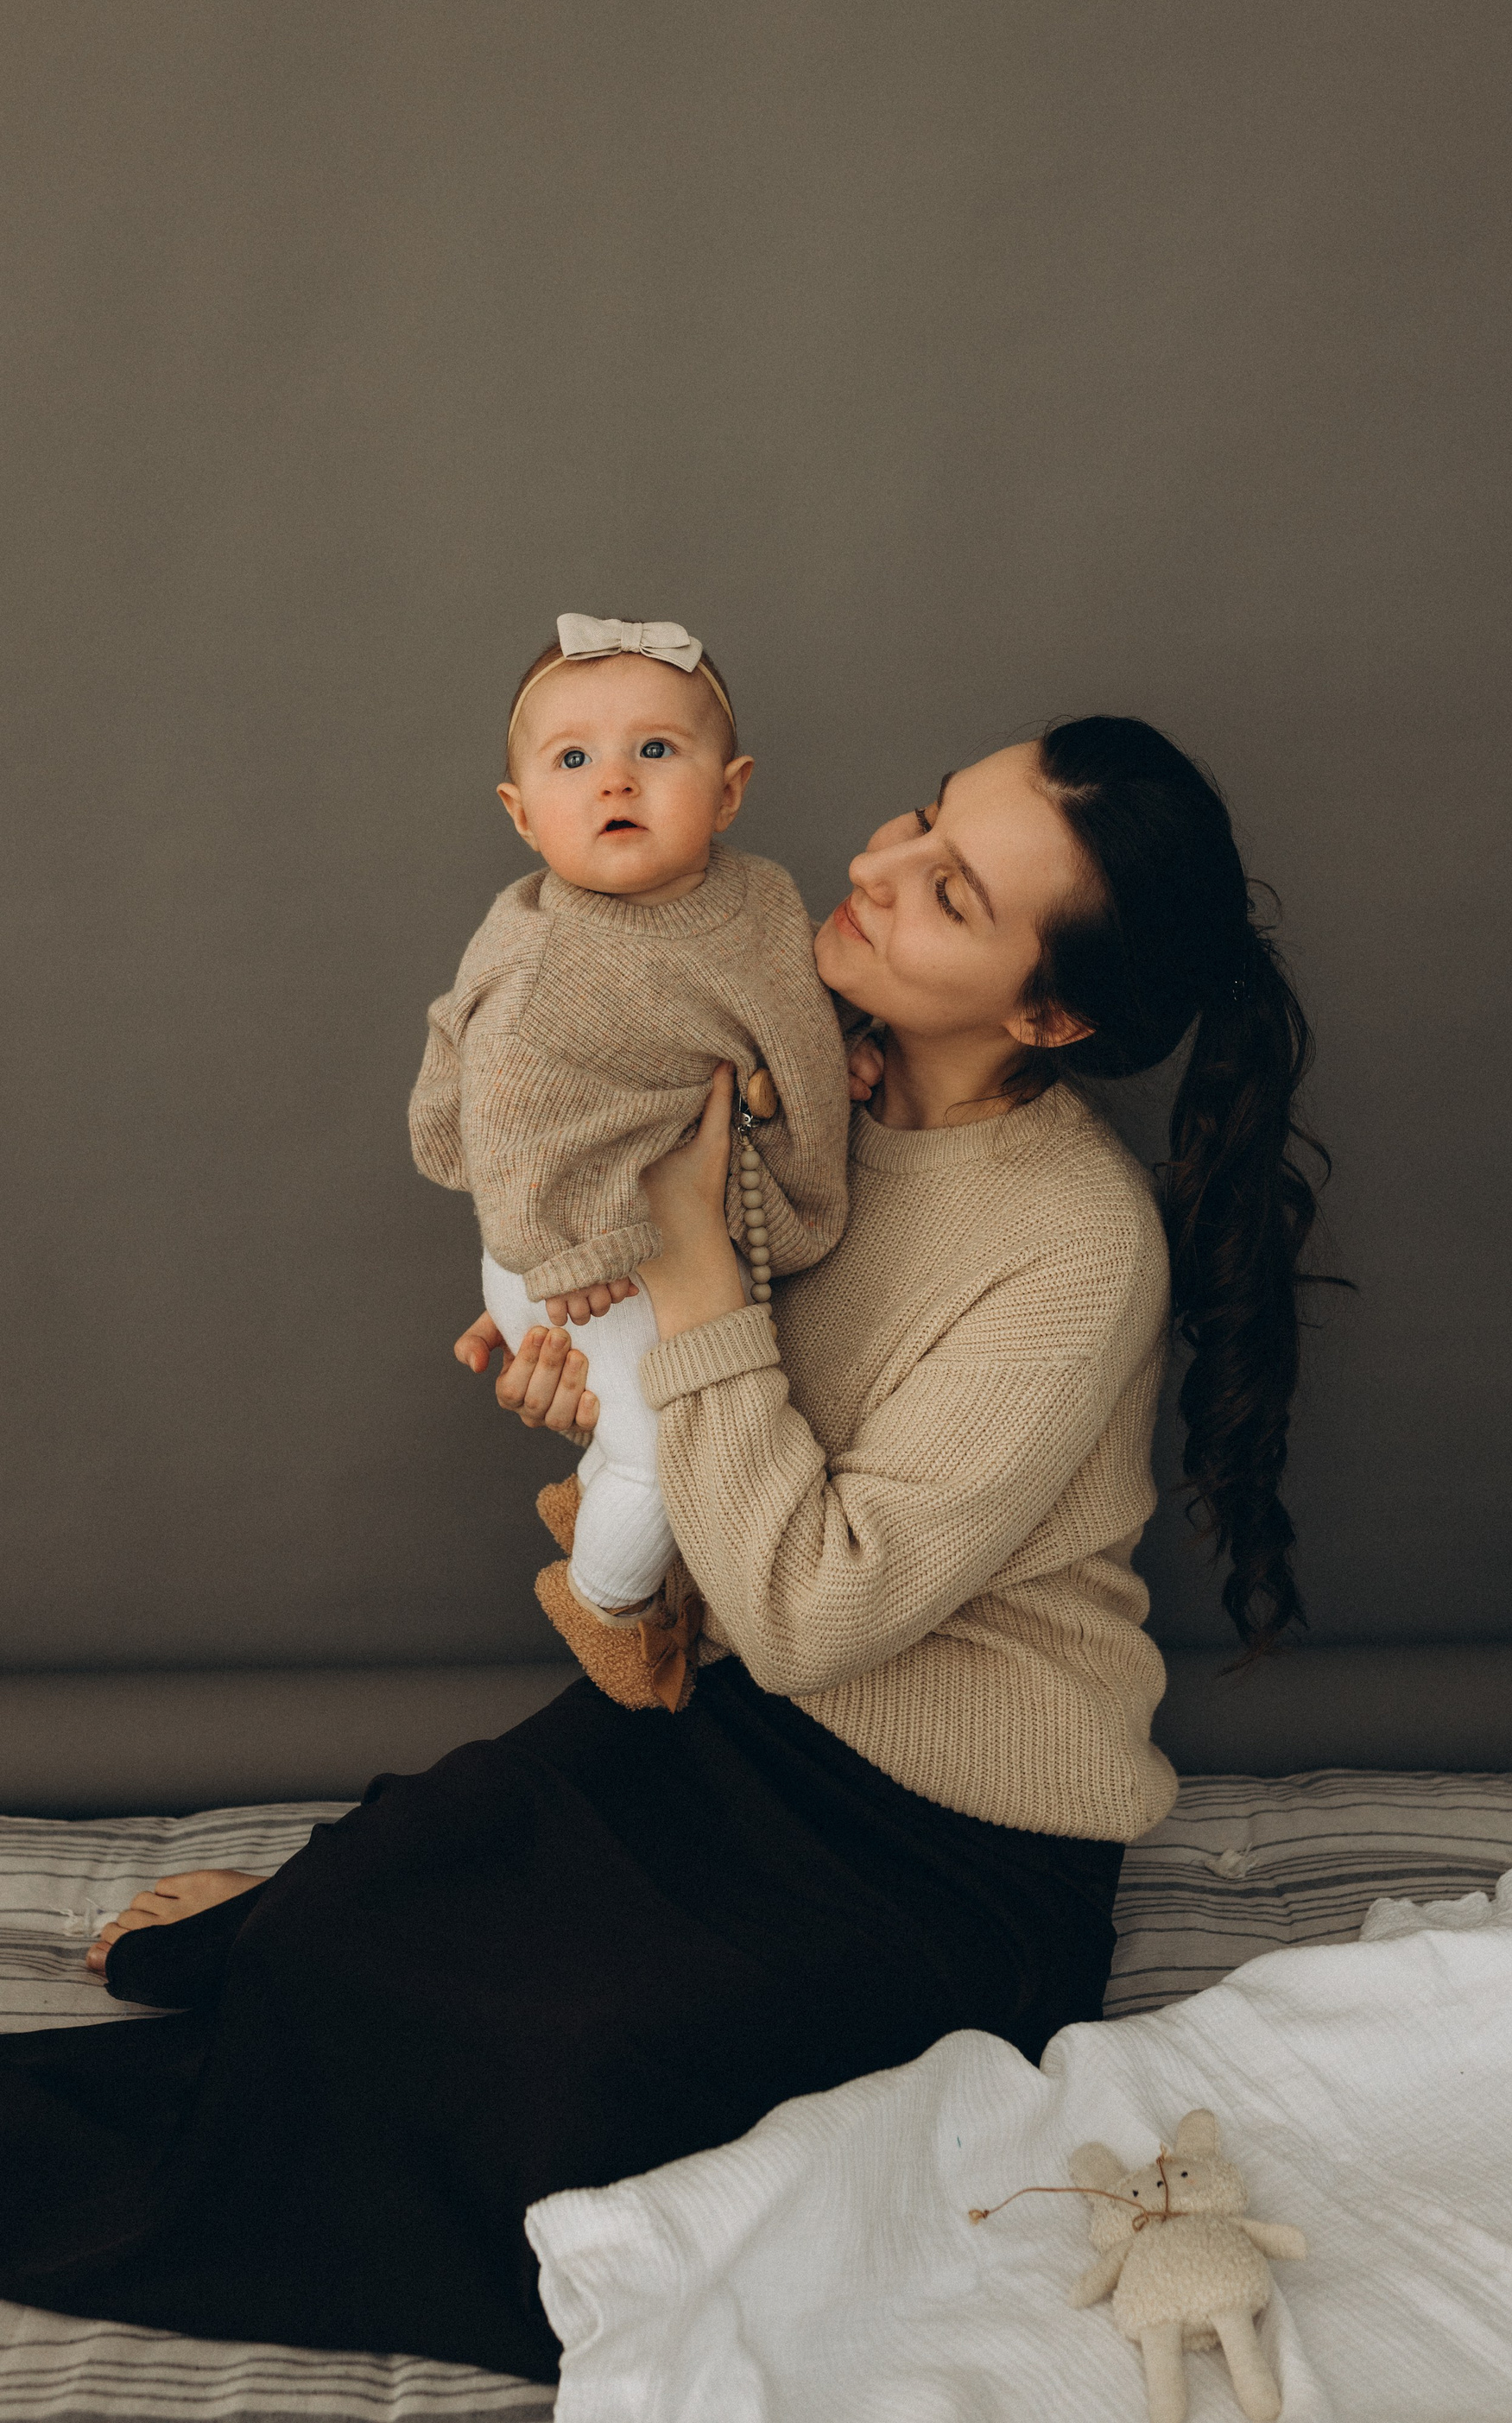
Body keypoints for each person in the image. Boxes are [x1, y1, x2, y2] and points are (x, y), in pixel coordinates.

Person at [1, 717, 1334, 2383]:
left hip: (947, 1850)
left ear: (1049, 1015)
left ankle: (311, 2005)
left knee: (557, 2084)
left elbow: (818, 1608)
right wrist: (595, 1367)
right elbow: (692, 1409)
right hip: (735, 1723)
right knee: (352, 1917)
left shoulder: (1073, 1249)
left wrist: (696, 1281)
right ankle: (293, 1942)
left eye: (950, 892)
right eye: (921, 818)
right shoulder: (791, 1076)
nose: (878, 868)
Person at [409, 610, 849, 1623]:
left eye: (654, 750)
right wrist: (562, 1250)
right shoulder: (542, 966)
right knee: (665, 1451)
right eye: (574, 760)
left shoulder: (762, 896)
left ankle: (625, 1524)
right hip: (575, 1242)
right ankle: (609, 1605)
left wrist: (843, 1045)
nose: (615, 781)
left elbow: (790, 1002)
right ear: (523, 816)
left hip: (680, 1234)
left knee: (680, 1432)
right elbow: (504, 1123)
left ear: (729, 791)